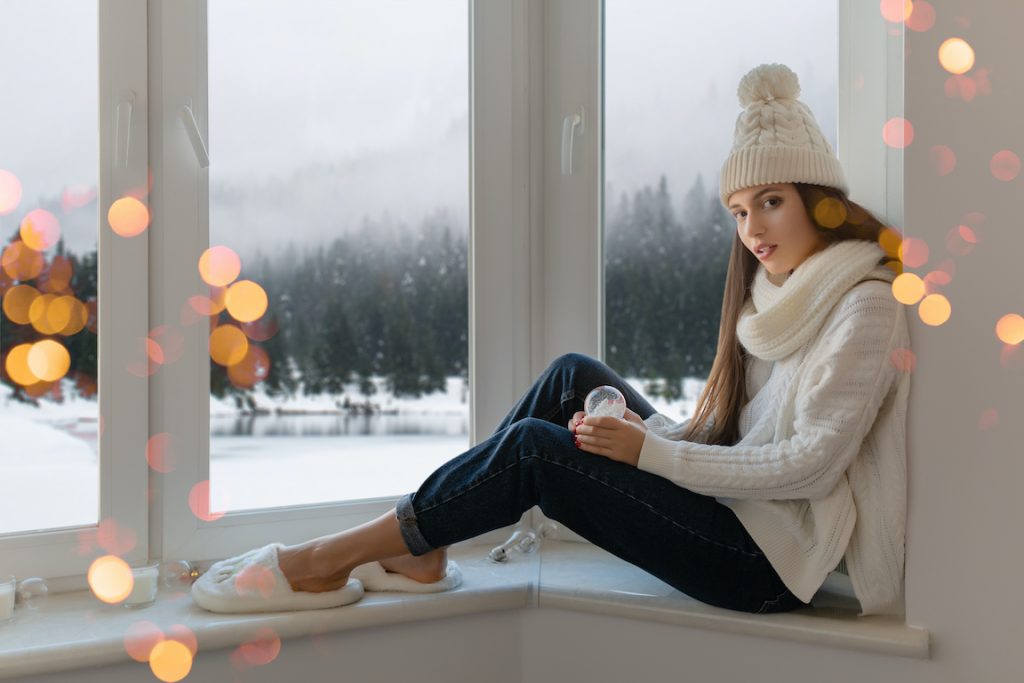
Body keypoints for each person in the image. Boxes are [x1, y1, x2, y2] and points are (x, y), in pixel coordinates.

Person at [192, 63, 910, 617]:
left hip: (767, 566)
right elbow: (733, 447)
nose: (753, 230)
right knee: (572, 373)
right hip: (736, 519)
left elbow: (810, 467)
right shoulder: (773, 297)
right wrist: (648, 429)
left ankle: (325, 556)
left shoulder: (864, 305)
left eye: (772, 202)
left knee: (538, 449)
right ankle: (424, 545)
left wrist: (652, 452)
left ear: (822, 198)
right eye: (739, 210)